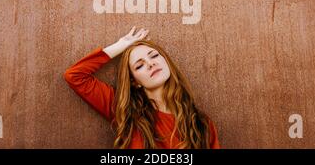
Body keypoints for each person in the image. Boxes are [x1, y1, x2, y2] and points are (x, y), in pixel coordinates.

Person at [64, 26, 221, 149]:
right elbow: (75, 76)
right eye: (139, 65)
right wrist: (121, 45)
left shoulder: (202, 124)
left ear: (166, 62)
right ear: (135, 82)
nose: (150, 63)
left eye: (154, 56)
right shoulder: (124, 110)